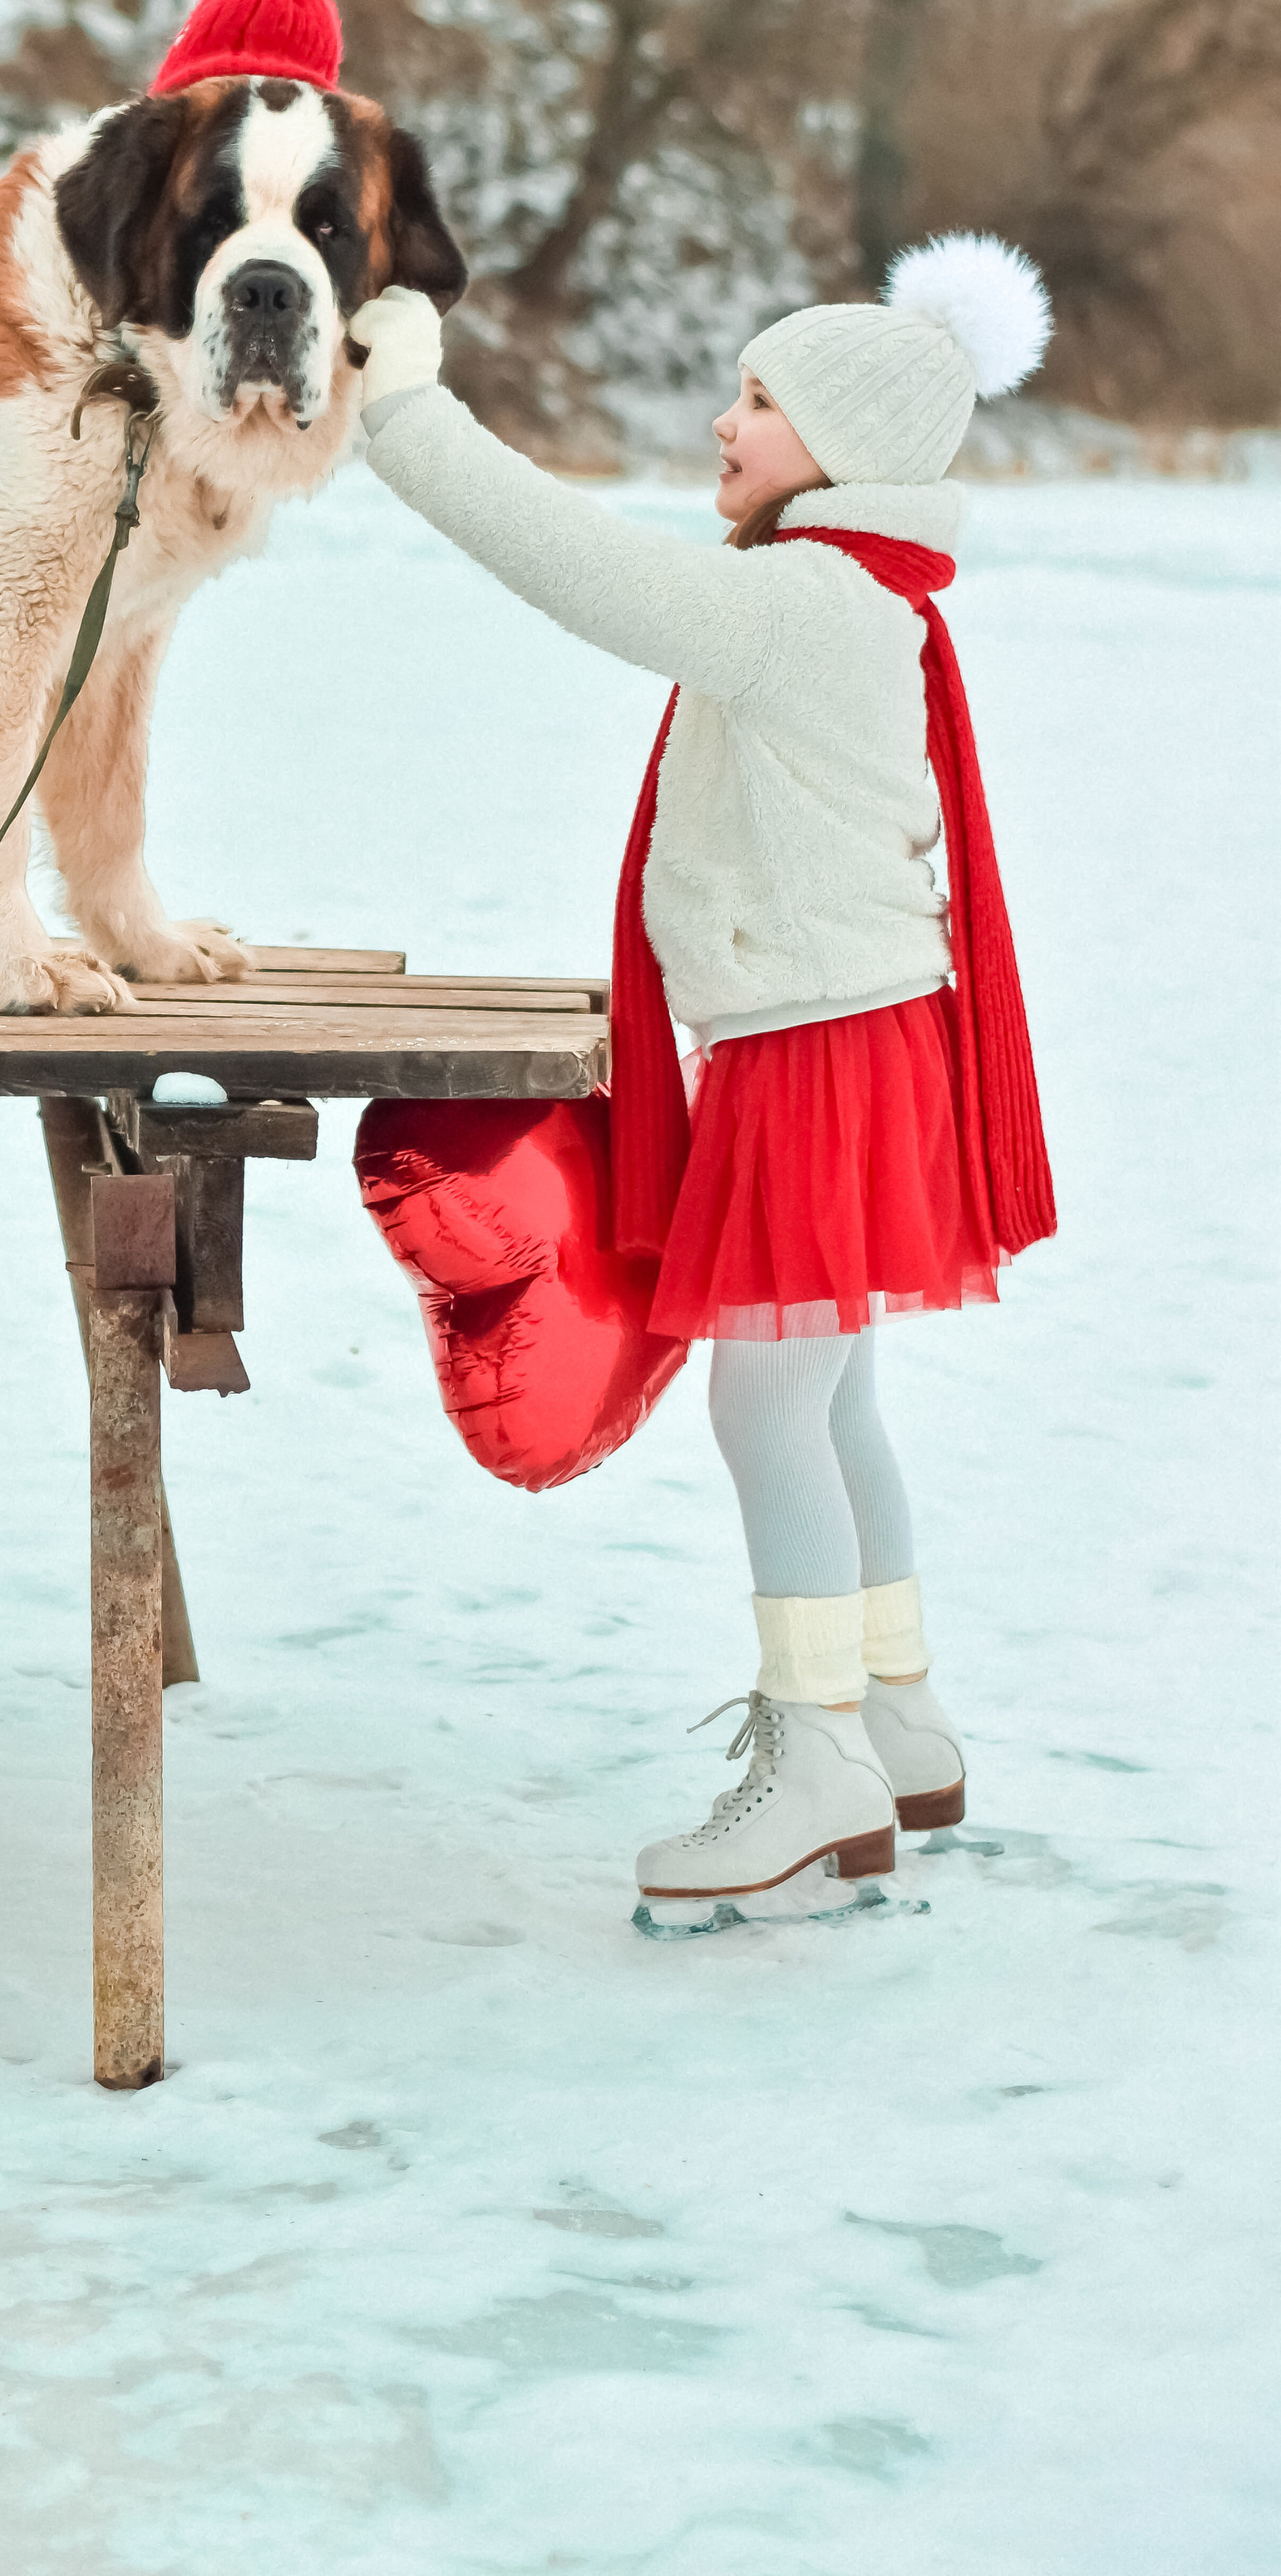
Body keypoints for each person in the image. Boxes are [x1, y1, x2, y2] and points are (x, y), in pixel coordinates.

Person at [347, 242, 1057, 1906]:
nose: (724, 423)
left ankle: (815, 1759)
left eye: (760, 398)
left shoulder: (804, 604)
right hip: (857, 1033)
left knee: (765, 1404)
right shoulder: (860, 595)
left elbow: (578, 565)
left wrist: (407, 413)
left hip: (812, 1049)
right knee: (834, 1400)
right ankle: (895, 1715)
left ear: (841, 446)